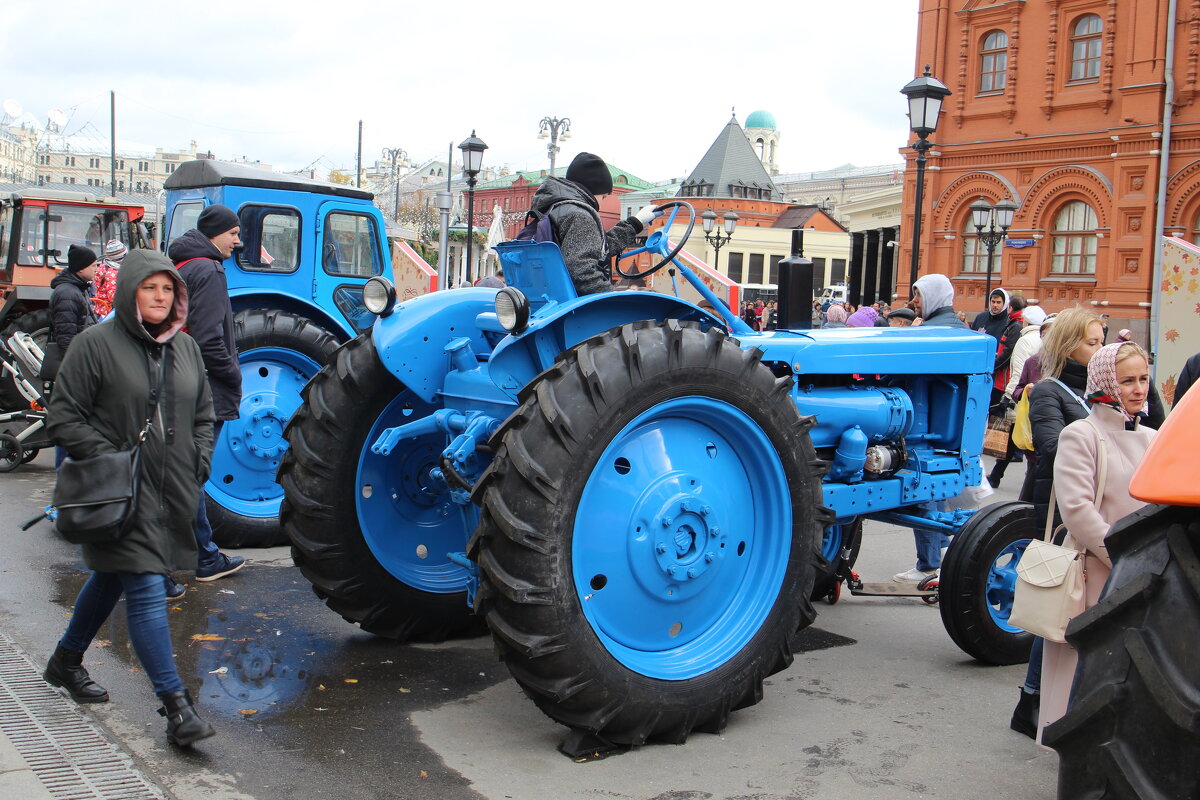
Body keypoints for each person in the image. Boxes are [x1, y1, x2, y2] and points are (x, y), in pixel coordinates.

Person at [43, 250, 218, 747]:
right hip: (118, 494)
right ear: (129, 292)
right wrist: (114, 459)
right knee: (144, 586)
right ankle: (177, 708)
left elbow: (203, 415)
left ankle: (65, 660)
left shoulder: (185, 350)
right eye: (150, 288)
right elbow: (63, 418)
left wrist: (198, 461)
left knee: (112, 577)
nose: (161, 297)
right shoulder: (94, 345)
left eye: (168, 289)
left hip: (172, 492)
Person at [1036, 341, 1157, 743]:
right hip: (1094, 577)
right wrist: (1124, 557)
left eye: (1143, 378)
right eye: (1127, 381)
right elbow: (1077, 510)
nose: (1139, 388)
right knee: (1082, 672)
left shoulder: (1152, 438)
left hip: (1143, 576)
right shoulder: (1081, 435)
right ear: (1106, 382)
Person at [1009, 306, 1104, 738]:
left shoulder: (1105, 393)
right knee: (1059, 608)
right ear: (1069, 346)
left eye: (1103, 342)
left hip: (1102, 509)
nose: (1101, 350)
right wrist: (1100, 438)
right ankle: (1031, 699)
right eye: (1092, 343)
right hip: (1061, 513)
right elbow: (1050, 446)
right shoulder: (1051, 390)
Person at [166, 204, 247, 584]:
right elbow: (210, 339)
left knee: (181, 474)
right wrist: (232, 375)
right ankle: (189, 561)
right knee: (189, 475)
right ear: (215, 233)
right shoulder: (209, 270)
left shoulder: (182, 265)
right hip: (205, 389)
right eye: (232, 233)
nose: (238, 240)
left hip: (180, 382)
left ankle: (199, 556)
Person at [525, 152, 656, 296]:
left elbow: (595, 247)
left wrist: (635, 223)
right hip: (572, 304)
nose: (602, 202)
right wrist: (615, 297)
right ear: (594, 190)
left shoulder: (555, 208)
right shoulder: (580, 216)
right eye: (604, 196)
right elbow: (580, 272)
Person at [50, 245, 100, 355]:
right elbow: (66, 339)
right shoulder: (67, 294)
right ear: (81, 268)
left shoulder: (79, 289)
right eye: (93, 266)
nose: (96, 269)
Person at [92, 239, 128, 318]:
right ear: (121, 258)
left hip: (99, 309)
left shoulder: (102, 268)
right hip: (108, 312)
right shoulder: (112, 274)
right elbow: (113, 297)